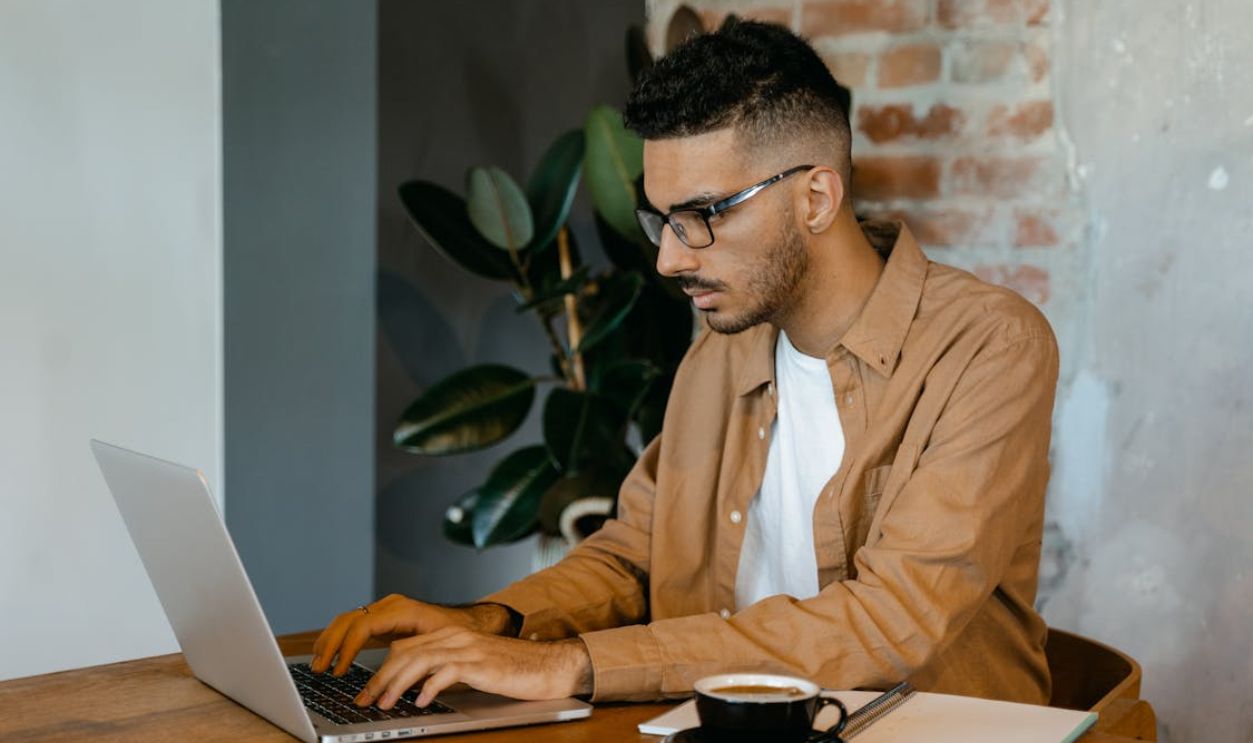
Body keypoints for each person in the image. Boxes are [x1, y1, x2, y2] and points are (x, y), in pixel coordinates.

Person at [312, 18, 1059, 711]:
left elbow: (890, 618)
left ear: (816, 197)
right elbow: (637, 551)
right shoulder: (725, 345)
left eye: (702, 215)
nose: (670, 258)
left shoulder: (989, 346)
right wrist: (488, 619)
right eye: (661, 219)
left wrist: (567, 664)